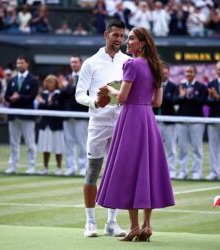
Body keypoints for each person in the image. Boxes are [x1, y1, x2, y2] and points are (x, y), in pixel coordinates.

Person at [96, 27, 175, 242]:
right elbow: (157, 102)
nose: (127, 42)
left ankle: (134, 227)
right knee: (147, 170)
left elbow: (121, 97)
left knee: (130, 170)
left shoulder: (131, 64)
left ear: (142, 43)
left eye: (131, 38)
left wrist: (108, 90)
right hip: (148, 120)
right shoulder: (156, 67)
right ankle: (147, 226)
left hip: (131, 119)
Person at [75, 18, 130, 238]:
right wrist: (94, 102)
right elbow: (79, 94)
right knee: (92, 173)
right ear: (106, 35)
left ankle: (112, 222)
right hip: (98, 124)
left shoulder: (128, 61)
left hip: (121, 123)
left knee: (116, 174)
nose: (119, 39)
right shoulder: (90, 63)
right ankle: (90, 222)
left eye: (122, 36)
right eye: (115, 35)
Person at [4, 55, 39, 174]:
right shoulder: (12, 80)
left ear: (27, 64)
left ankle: (31, 166)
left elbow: (32, 96)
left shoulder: (33, 80)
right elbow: (6, 96)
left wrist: (19, 97)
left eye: (22, 63)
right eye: (18, 63)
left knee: (30, 142)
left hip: (27, 116)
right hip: (13, 115)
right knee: (14, 143)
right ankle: (13, 166)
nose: (19, 65)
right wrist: (11, 98)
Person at [175, 65, 207, 180]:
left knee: (197, 148)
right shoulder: (180, 86)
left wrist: (191, 95)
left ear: (195, 73)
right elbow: (175, 100)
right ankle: (182, 171)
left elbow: (203, 101)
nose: (188, 73)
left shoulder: (201, 87)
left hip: (196, 121)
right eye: (187, 71)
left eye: (191, 71)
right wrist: (182, 95)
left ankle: (196, 172)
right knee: (182, 148)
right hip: (181, 121)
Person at [62, 55, 88, 176]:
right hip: (68, 115)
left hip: (81, 115)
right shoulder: (66, 78)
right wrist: (68, 86)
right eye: (72, 62)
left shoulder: (86, 77)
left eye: (75, 62)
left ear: (81, 63)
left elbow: (86, 93)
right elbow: (62, 96)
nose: (73, 64)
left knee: (82, 143)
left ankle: (83, 167)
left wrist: (73, 86)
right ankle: (70, 167)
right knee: (69, 143)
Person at [36, 74, 65, 176]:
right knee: (45, 147)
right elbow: (41, 109)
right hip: (45, 124)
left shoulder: (59, 93)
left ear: (56, 83)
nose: (50, 84)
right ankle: (45, 167)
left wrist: (44, 102)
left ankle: (58, 167)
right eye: (48, 82)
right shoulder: (43, 94)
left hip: (56, 124)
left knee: (58, 147)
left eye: (52, 82)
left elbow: (56, 106)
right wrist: (43, 102)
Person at [156, 64, 177, 178]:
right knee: (155, 148)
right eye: (162, 73)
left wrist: (160, 97)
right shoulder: (154, 85)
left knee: (171, 148)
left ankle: (172, 171)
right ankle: (156, 171)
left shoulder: (174, 86)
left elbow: (173, 100)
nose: (164, 75)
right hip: (155, 121)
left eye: (166, 73)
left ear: (169, 73)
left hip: (169, 122)